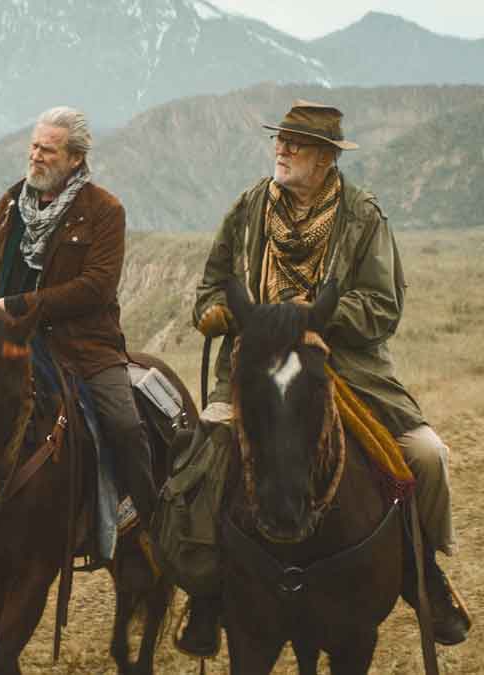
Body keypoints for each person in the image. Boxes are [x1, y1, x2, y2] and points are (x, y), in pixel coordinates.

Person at [178, 100, 470, 654]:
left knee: (427, 455)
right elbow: (211, 284)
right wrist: (215, 312)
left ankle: (421, 569)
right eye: (281, 140)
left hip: (345, 365)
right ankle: (208, 588)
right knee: (206, 451)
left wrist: (315, 317)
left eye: (297, 143)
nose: (282, 150)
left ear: (326, 158)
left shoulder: (362, 216)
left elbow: (382, 306)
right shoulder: (247, 209)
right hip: (257, 363)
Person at [0, 106, 158, 529]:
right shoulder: (12, 201)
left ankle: (144, 516)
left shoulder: (105, 210)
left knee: (124, 424)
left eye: (49, 151)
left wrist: (18, 306)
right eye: (34, 146)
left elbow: (97, 287)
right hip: (6, 342)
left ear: (75, 159)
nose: (36, 156)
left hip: (81, 347)